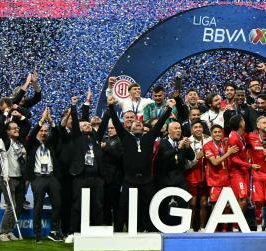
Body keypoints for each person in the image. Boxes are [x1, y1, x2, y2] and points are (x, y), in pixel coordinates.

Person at [108, 95, 174, 232]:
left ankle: (148, 230)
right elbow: (115, 121)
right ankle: (119, 231)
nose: (138, 123)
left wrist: (169, 109)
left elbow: (160, 123)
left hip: (146, 180)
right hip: (129, 180)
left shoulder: (149, 137)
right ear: (130, 128)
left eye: (140, 123)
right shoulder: (125, 137)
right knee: (123, 206)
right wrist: (110, 107)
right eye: (135, 123)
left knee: (149, 207)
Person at [65, 96, 106, 242]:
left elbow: (104, 122)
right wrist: (74, 105)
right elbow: (75, 122)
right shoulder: (77, 138)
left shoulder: (96, 139)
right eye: (85, 125)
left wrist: (110, 108)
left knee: (98, 205)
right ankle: (72, 233)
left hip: (97, 177)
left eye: (89, 124)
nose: (88, 125)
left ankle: (98, 232)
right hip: (80, 177)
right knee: (77, 205)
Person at [23, 108, 64, 243]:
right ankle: (37, 234)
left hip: (52, 177)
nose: (44, 133)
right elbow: (33, 132)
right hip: (38, 178)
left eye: (46, 131)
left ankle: (53, 231)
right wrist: (41, 120)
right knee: (38, 206)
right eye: (42, 131)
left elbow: (57, 133)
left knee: (57, 204)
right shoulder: (31, 144)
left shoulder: (51, 144)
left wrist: (51, 121)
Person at [154, 121, 194, 227]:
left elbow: (192, 157)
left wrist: (187, 147)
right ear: (169, 131)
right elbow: (164, 157)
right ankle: (163, 227)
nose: (179, 130)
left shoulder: (181, 142)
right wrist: (177, 148)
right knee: (164, 207)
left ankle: (181, 228)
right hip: (165, 180)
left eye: (179, 128)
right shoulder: (162, 143)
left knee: (182, 205)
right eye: (176, 128)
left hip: (180, 180)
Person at [227, 114, 259, 230]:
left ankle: (236, 225)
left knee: (244, 200)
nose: (245, 122)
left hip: (243, 172)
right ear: (240, 124)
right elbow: (233, 159)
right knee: (242, 200)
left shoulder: (241, 136)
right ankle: (235, 226)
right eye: (243, 120)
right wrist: (250, 165)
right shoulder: (234, 138)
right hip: (236, 173)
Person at [0, 120, 28, 241]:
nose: (17, 130)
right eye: (13, 128)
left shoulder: (19, 143)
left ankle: (10, 231)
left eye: (17, 128)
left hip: (20, 178)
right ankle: (1, 233)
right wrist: (6, 114)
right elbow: (0, 131)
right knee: (11, 206)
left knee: (19, 207)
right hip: (8, 177)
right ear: (7, 131)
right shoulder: (6, 142)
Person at [186, 121, 209, 231]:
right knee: (192, 203)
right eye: (195, 127)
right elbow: (185, 163)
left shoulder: (209, 140)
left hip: (206, 175)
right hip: (192, 175)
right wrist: (197, 157)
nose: (198, 129)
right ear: (191, 130)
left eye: (200, 127)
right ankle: (189, 227)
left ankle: (202, 227)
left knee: (204, 203)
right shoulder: (187, 142)